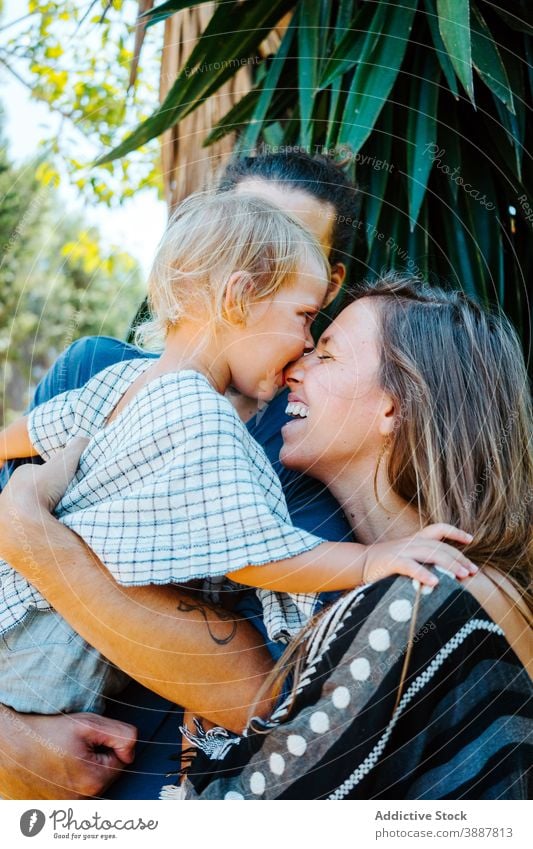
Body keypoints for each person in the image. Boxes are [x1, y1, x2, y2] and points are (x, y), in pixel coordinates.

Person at [1, 274, 532, 799]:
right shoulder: (413, 586)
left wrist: (35, 540)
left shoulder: (432, 595)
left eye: (326, 354)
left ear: (395, 406)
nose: (295, 369)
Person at [0, 189, 476, 720]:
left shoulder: (120, 380)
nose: (304, 342)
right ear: (240, 297)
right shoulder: (203, 417)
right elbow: (257, 557)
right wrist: (370, 561)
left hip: (15, 617)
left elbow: (24, 435)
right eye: (303, 316)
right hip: (53, 648)